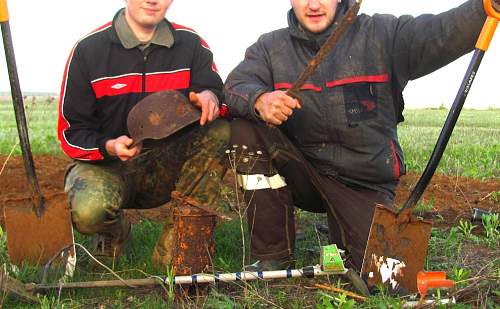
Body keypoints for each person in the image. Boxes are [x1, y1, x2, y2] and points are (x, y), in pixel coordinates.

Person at [224, 0, 490, 272]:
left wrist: (483, 9)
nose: (313, 5)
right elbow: (235, 86)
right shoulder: (270, 47)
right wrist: (260, 99)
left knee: (386, 274)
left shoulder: (383, 33)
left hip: (363, 183)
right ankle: (272, 254)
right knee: (245, 130)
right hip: (304, 174)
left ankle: (345, 233)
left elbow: (440, 33)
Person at [57, 0, 229, 267]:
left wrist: (211, 97)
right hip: (110, 166)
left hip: (169, 166)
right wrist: (109, 145)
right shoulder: (88, 50)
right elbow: (71, 132)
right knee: (88, 211)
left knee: (220, 130)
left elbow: (216, 92)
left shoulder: (191, 44)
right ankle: (113, 232)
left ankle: (177, 245)